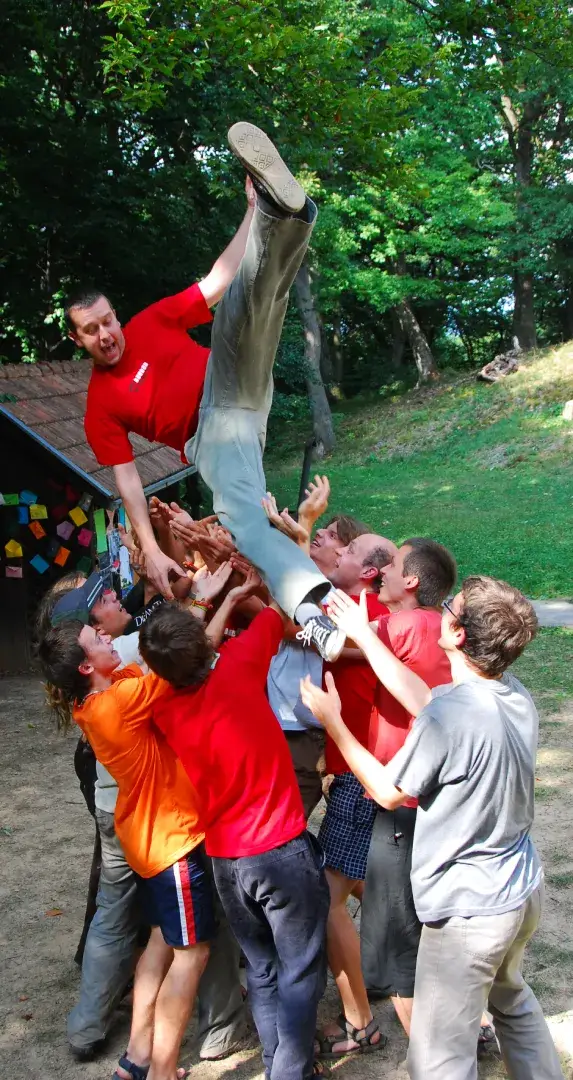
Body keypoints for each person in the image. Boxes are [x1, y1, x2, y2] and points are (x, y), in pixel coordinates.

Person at [70, 123, 343, 660]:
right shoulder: (99, 405)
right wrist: (151, 549)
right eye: (90, 331)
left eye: (107, 322)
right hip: (214, 433)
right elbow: (128, 482)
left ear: (116, 316)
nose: (105, 335)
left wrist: (250, 211)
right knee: (244, 518)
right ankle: (315, 611)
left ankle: (282, 216)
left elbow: (218, 280)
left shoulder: (151, 322)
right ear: (78, 339)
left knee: (250, 307)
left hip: (230, 378)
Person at [303, 576, 564, 1080]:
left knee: (439, 1059)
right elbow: (423, 697)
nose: (442, 610)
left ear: (459, 634)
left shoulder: (451, 716)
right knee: (512, 1001)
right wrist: (367, 636)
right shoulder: (509, 692)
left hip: (471, 912)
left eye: (450, 606)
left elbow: (386, 791)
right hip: (518, 892)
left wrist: (334, 722)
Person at [43, 575, 248, 1064]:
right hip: (172, 843)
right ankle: (161, 1068)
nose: (106, 636)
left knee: (160, 941)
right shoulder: (118, 704)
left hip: (148, 840)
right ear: (87, 665)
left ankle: (137, 1055)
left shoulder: (97, 698)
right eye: (97, 638)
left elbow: (147, 664)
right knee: (193, 953)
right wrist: (205, 599)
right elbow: (184, 653)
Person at [138, 600, 331, 1080]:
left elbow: (183, 661)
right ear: (204, 646)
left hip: (226, 860)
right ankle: (289, 1072)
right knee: (301, 967)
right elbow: (275, 613)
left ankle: (275, 1061)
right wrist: (244, 585)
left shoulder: (162, 708)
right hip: (281, 850)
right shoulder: (239, 665)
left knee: (262, 967)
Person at [359, 539, 456, 1038]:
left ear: (412, 581)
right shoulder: (439, 624)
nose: (382, 568)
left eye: (392, 563)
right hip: (435, 796)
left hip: (402, 796)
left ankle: (432, 1054)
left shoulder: (403, 625)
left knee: (397, 928)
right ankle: (471, 1022)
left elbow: (329, 640)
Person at [313, 533, 396, 1058]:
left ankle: (360, 1023)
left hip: (360, 777)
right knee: (378, 888)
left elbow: (298, 623)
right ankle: (461, 1004)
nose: (337, 553)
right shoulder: (363, 611)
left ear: (367, 572)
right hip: (361, 773)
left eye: (346, 551)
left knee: (325, 898)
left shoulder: (361, 617)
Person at [263, 478, 371, 818]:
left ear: (345, 553)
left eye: (334, 535)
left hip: (304, 731)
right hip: (280, 721)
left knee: (282, 823)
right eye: (322, 529)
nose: (323, 535)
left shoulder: (336, 598)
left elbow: (284, 625)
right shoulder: (319, 588)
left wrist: (304, 528)